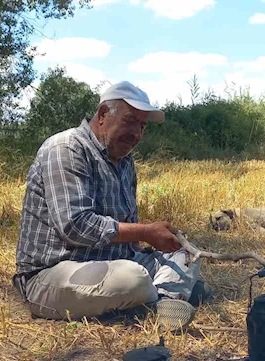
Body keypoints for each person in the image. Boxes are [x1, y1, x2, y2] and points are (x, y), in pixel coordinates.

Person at [12, 81, 209, 329]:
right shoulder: (66, 147)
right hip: (53, 274)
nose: (136, 134)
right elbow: (75, 226)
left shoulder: (124, 160)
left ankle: (161, 302)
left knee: (186, 252)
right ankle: (162, 295)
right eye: (130, 121)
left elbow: (128, 238)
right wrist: (146, 232)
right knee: (133, 279)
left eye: (142, 125)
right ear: (103, 114)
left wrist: (155, 243)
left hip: (113, 263)